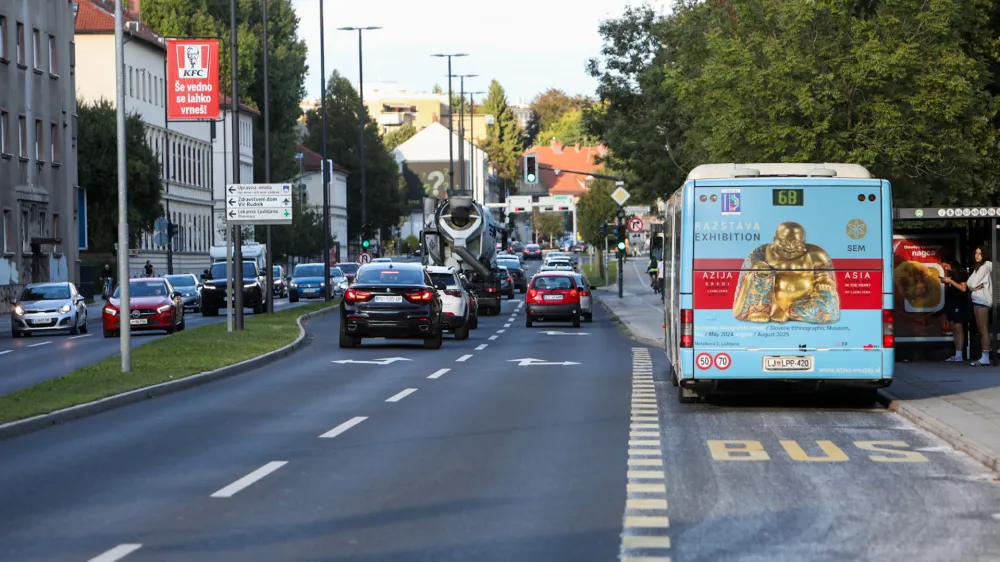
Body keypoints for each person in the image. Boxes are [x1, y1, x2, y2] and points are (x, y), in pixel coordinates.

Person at [968, 244, 993, 366]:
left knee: (983, 329)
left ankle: (985, 357)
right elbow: (969, 283)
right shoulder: (978, 267)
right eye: (976, 253)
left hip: (982, 300)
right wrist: (974, 286)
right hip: (978, 300)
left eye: (980, 253)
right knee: (981, 329)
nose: (977, 256)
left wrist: (974, 286)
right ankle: (984, 356)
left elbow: (972, 284)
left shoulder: (984, 268)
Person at [941, 258, 969, 362]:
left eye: (946, 266)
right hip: (951, 302)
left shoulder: (961, 272)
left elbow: (963, 288)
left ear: (951, 263)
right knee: (953, 328)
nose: (945, 268)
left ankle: (960, 354)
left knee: (958, 328)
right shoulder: (950, 273)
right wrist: (946, 282)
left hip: (959, 303)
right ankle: (957, 353)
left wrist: (951, 281)